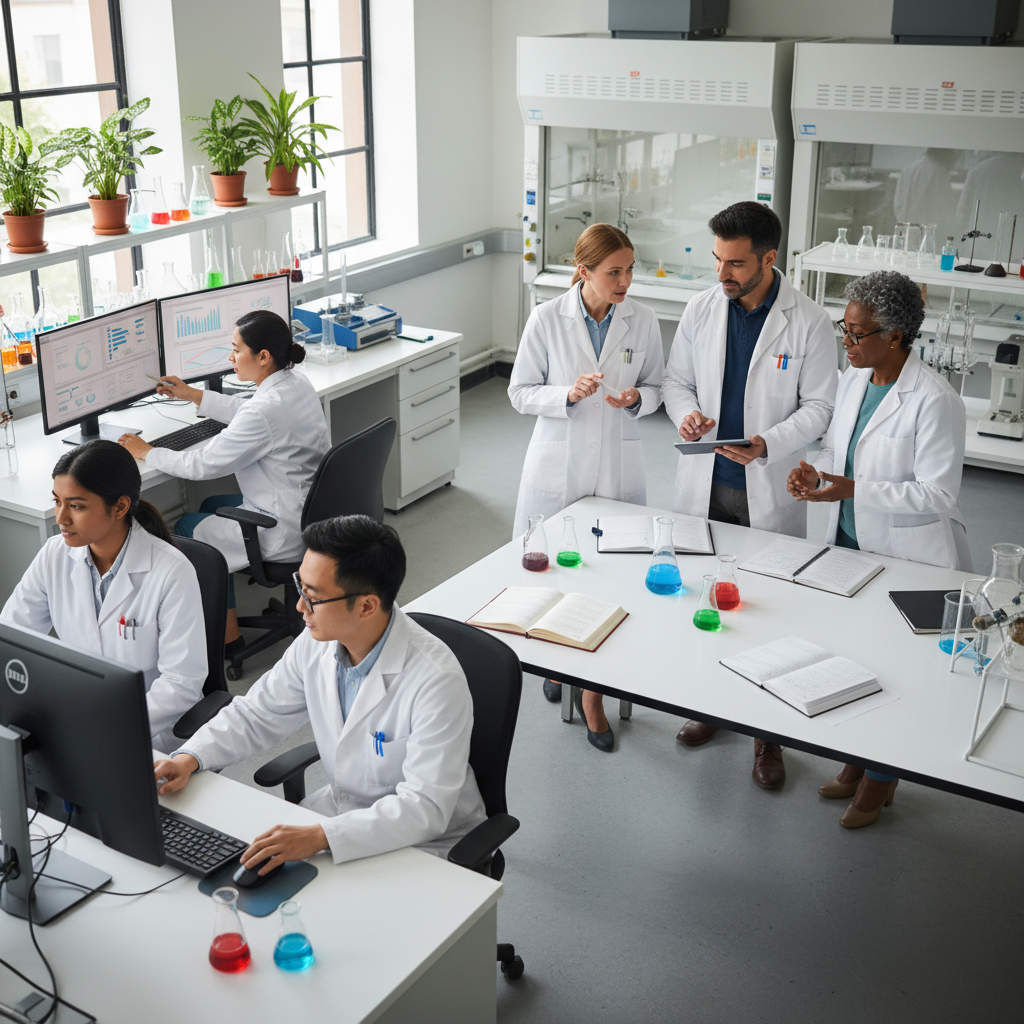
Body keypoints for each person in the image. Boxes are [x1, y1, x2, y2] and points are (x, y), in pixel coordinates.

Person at [153, 515, 487, 871]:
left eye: (312, 597)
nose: (299, 607)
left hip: (428, 844)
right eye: (301, 587)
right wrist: (190, 757)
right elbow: (257, 713)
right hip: (339, 817)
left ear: (366, 606)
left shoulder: (435, 681)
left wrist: (321, 837)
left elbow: (425, 807)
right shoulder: (318, 643)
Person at [662, 201, 837, 788]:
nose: (722, 275)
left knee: (770, 615)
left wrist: (767, 443)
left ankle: (769, 740)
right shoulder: (702, 307)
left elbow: (820, 407)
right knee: (709, 600)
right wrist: (686, 416)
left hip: (766, 487)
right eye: (717, 260)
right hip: (707, 481)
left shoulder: (808, 321)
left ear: (769, 258)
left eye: (735, 263)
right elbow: (676, 381)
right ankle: (710, 708)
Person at [787, 270, 971, 828]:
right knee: (852, 658)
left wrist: (851, 490)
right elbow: (840, 450)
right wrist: (816, 475)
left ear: (894, 335)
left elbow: (939, 494)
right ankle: (855, 761)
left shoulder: (935, 399)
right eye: (844, 328)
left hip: (908, 556)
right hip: (848, 543)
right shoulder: (852, 380)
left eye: (856, 333)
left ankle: (882, 779)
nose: (846, 341)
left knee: (897, 671)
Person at [508, 222, 665, 752]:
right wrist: (566, 395)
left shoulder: (641, 321)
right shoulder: (546, 318)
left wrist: (637, 400)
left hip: (619, 465)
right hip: (559, 466)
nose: (625, 282)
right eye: (613, 272)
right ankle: (558, 663)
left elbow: (658, 387)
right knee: (556, 573)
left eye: (629, 270)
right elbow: (519, 392)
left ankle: (592, 693)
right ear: (584, 272)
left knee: (611, 576)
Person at [119, 310, 330, 655]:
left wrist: (148, 452)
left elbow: (200, 464)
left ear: (263, 357)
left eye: (235, 350)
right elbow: (250, 411)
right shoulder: (294, 382)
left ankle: (229, 638)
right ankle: (226, 614)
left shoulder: (263, 411)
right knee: (208, 506)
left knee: (186, 524)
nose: (229, 358)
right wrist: (193, 395)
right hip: (310, 507)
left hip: (282, 527)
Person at [0, 440, 206, 751]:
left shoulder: (171, 572)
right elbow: (12, 638)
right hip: (75, 720)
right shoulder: (54, 555)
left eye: (77, 506)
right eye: (57, 501)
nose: (61, 518)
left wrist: (103, 728)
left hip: (150, 734)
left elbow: (182, 684)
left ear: (120, 507)